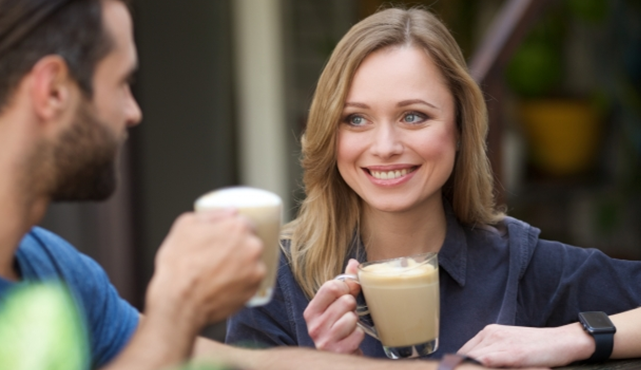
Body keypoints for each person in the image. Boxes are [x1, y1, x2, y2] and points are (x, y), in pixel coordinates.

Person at [0, 1, 497, 369]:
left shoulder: (59, 273)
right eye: (122, 85)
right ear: (52, 91)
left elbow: (245, 365)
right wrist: (175, 311)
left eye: (413, 116)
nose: (135, 113)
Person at [225, 6, 641, 368]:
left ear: (461, 128)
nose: (385, 147)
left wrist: (568, 339)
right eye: (355, 119)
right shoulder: (274, 283)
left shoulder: (519, 264)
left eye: (414, 116)